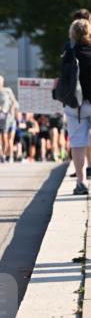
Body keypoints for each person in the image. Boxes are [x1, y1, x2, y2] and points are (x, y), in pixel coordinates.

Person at [59, 18, 91, 195]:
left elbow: (63, 79)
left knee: (78, 144)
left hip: (76, 106)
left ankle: (81, 183)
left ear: (72, 33)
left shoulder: (69, 54)